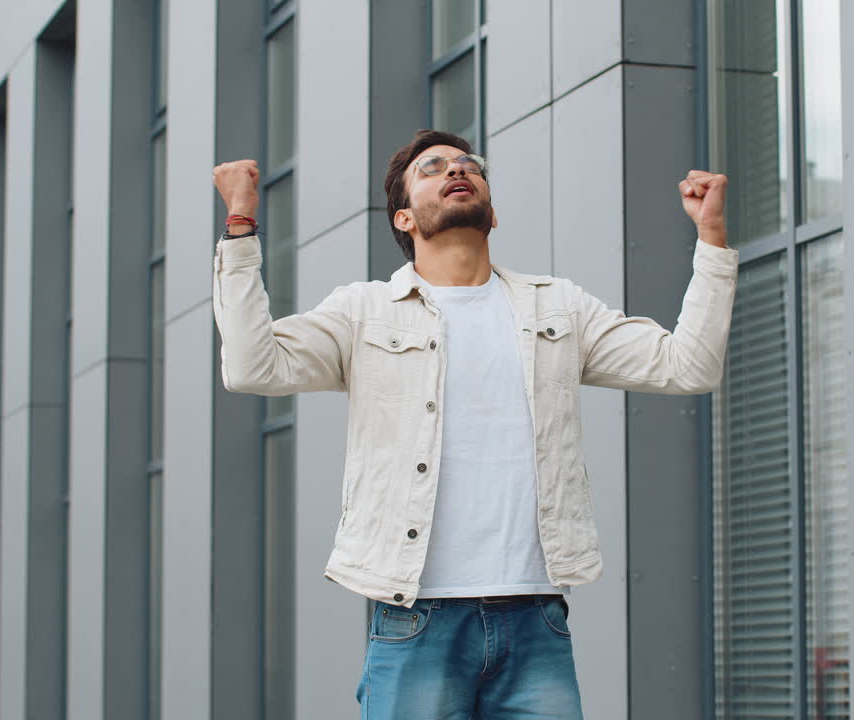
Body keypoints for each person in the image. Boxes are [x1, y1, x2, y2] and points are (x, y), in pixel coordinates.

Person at [211, 129, 737, 719]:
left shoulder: (556, 306)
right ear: (405, 217)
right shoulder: (362, 311)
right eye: (432, 168)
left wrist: (711, 238)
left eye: (469, 166)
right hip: (418, 619)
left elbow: (688, 366)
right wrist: (239, 230)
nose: (456, 170)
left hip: (535, 614)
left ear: (492, 212)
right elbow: (253, 365)